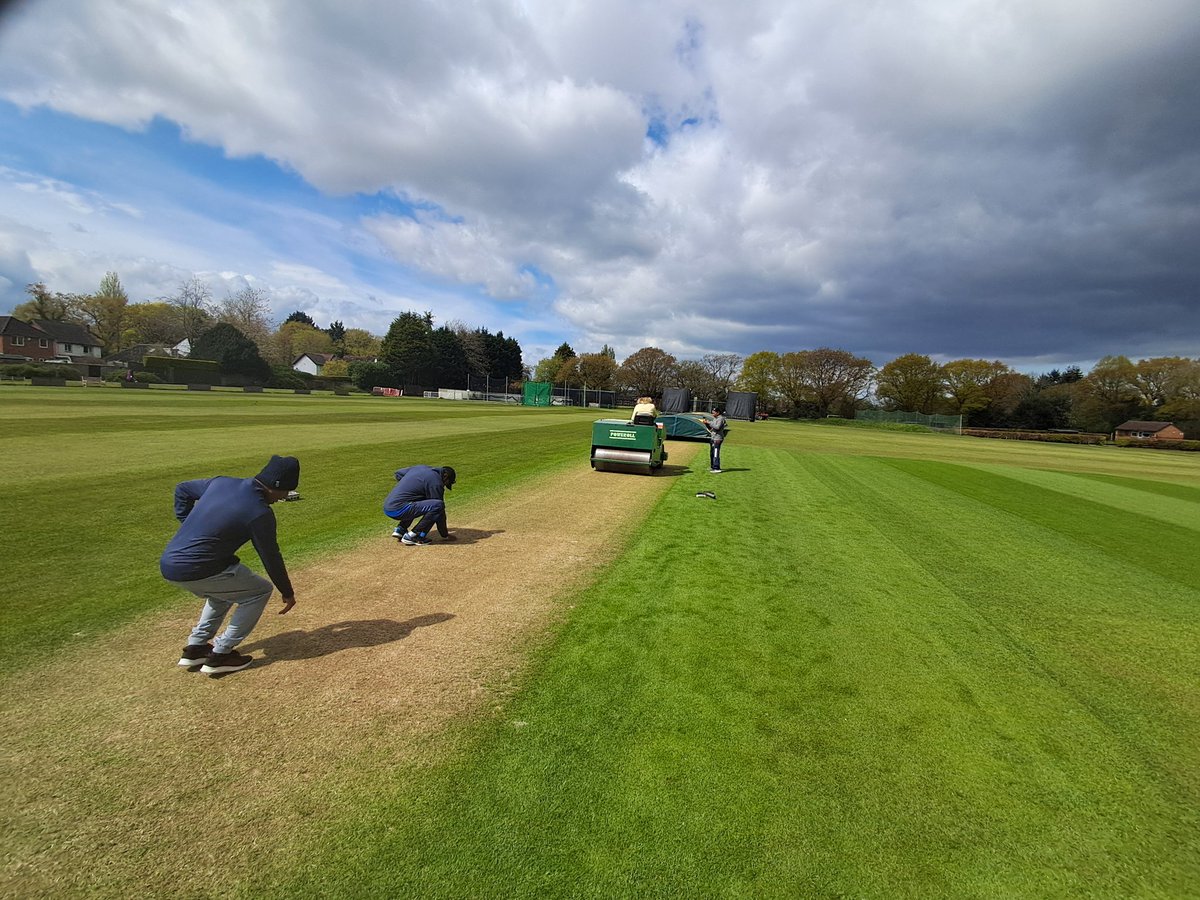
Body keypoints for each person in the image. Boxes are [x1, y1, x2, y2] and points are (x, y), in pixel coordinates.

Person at [160, 455, 300, 675]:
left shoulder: (221, 482)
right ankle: (221, 654)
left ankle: (195, 648)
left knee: (224, 591)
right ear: (276, 487)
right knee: (259, 591)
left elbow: (182, 489)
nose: (282, 498)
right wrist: (287, 591)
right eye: (284, 493)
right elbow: (270, 556)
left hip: (169, 565)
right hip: (199, 568)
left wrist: (186, 521)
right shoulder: (260, 513)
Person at [383, 464, 457, 545]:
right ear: (445, 476)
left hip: (388, 507)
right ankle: (414, 536)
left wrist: (410, 486)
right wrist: (444, 534)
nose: (444, 486)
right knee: (438, 505)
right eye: (446, 483)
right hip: (399, 510)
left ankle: (401, 529)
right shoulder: (436, 482)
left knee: (420, 497)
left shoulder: (420, 468)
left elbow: (398, 474)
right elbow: (439, 511)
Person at [701, 407, 727, 473]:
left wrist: (709, 423)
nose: (712, 413)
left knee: (716, 453)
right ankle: (713, 466)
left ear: (718, 413)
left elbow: (717, 427)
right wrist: (706, 423)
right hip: (713, 437)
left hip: (717, 438)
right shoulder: (715, 418)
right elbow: (712, 427)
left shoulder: (720, 419)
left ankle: (717, 468)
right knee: (712, 453)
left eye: (714, 412)